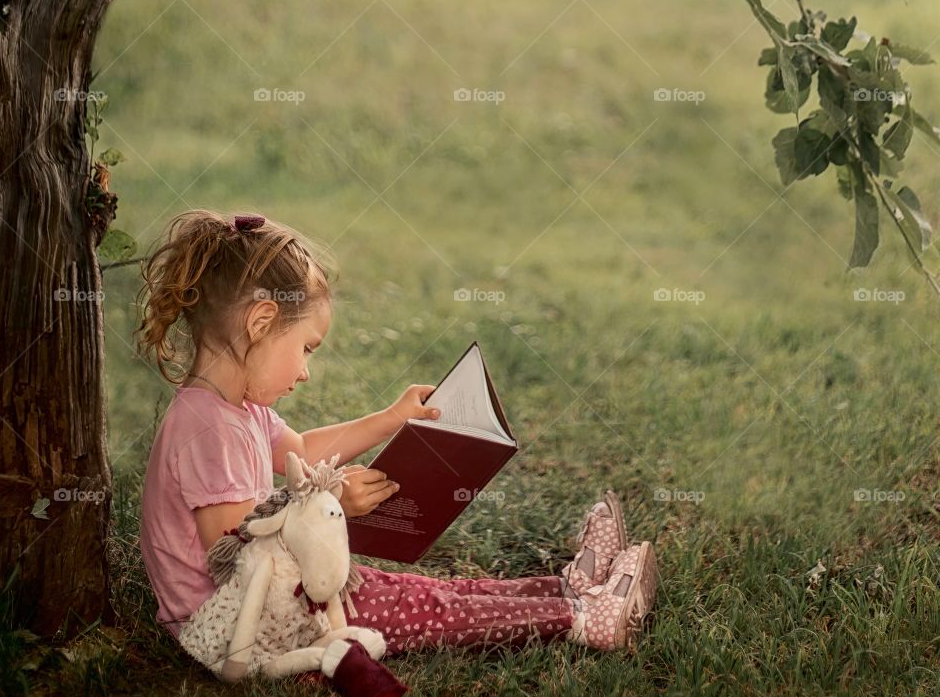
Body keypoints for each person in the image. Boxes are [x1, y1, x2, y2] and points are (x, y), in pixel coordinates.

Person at [136, 209, 658, 660]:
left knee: (423, 591)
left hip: (266, 604)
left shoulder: (238, 409)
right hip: (232, 630)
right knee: (416, 605)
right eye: (306, 348)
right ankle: (584, 619)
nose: (304, 372)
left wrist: (391, 418)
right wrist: (332, 499)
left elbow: (298, 450)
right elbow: (235, 551)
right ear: (260, 322)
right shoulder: (205, 428)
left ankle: (568, 589)